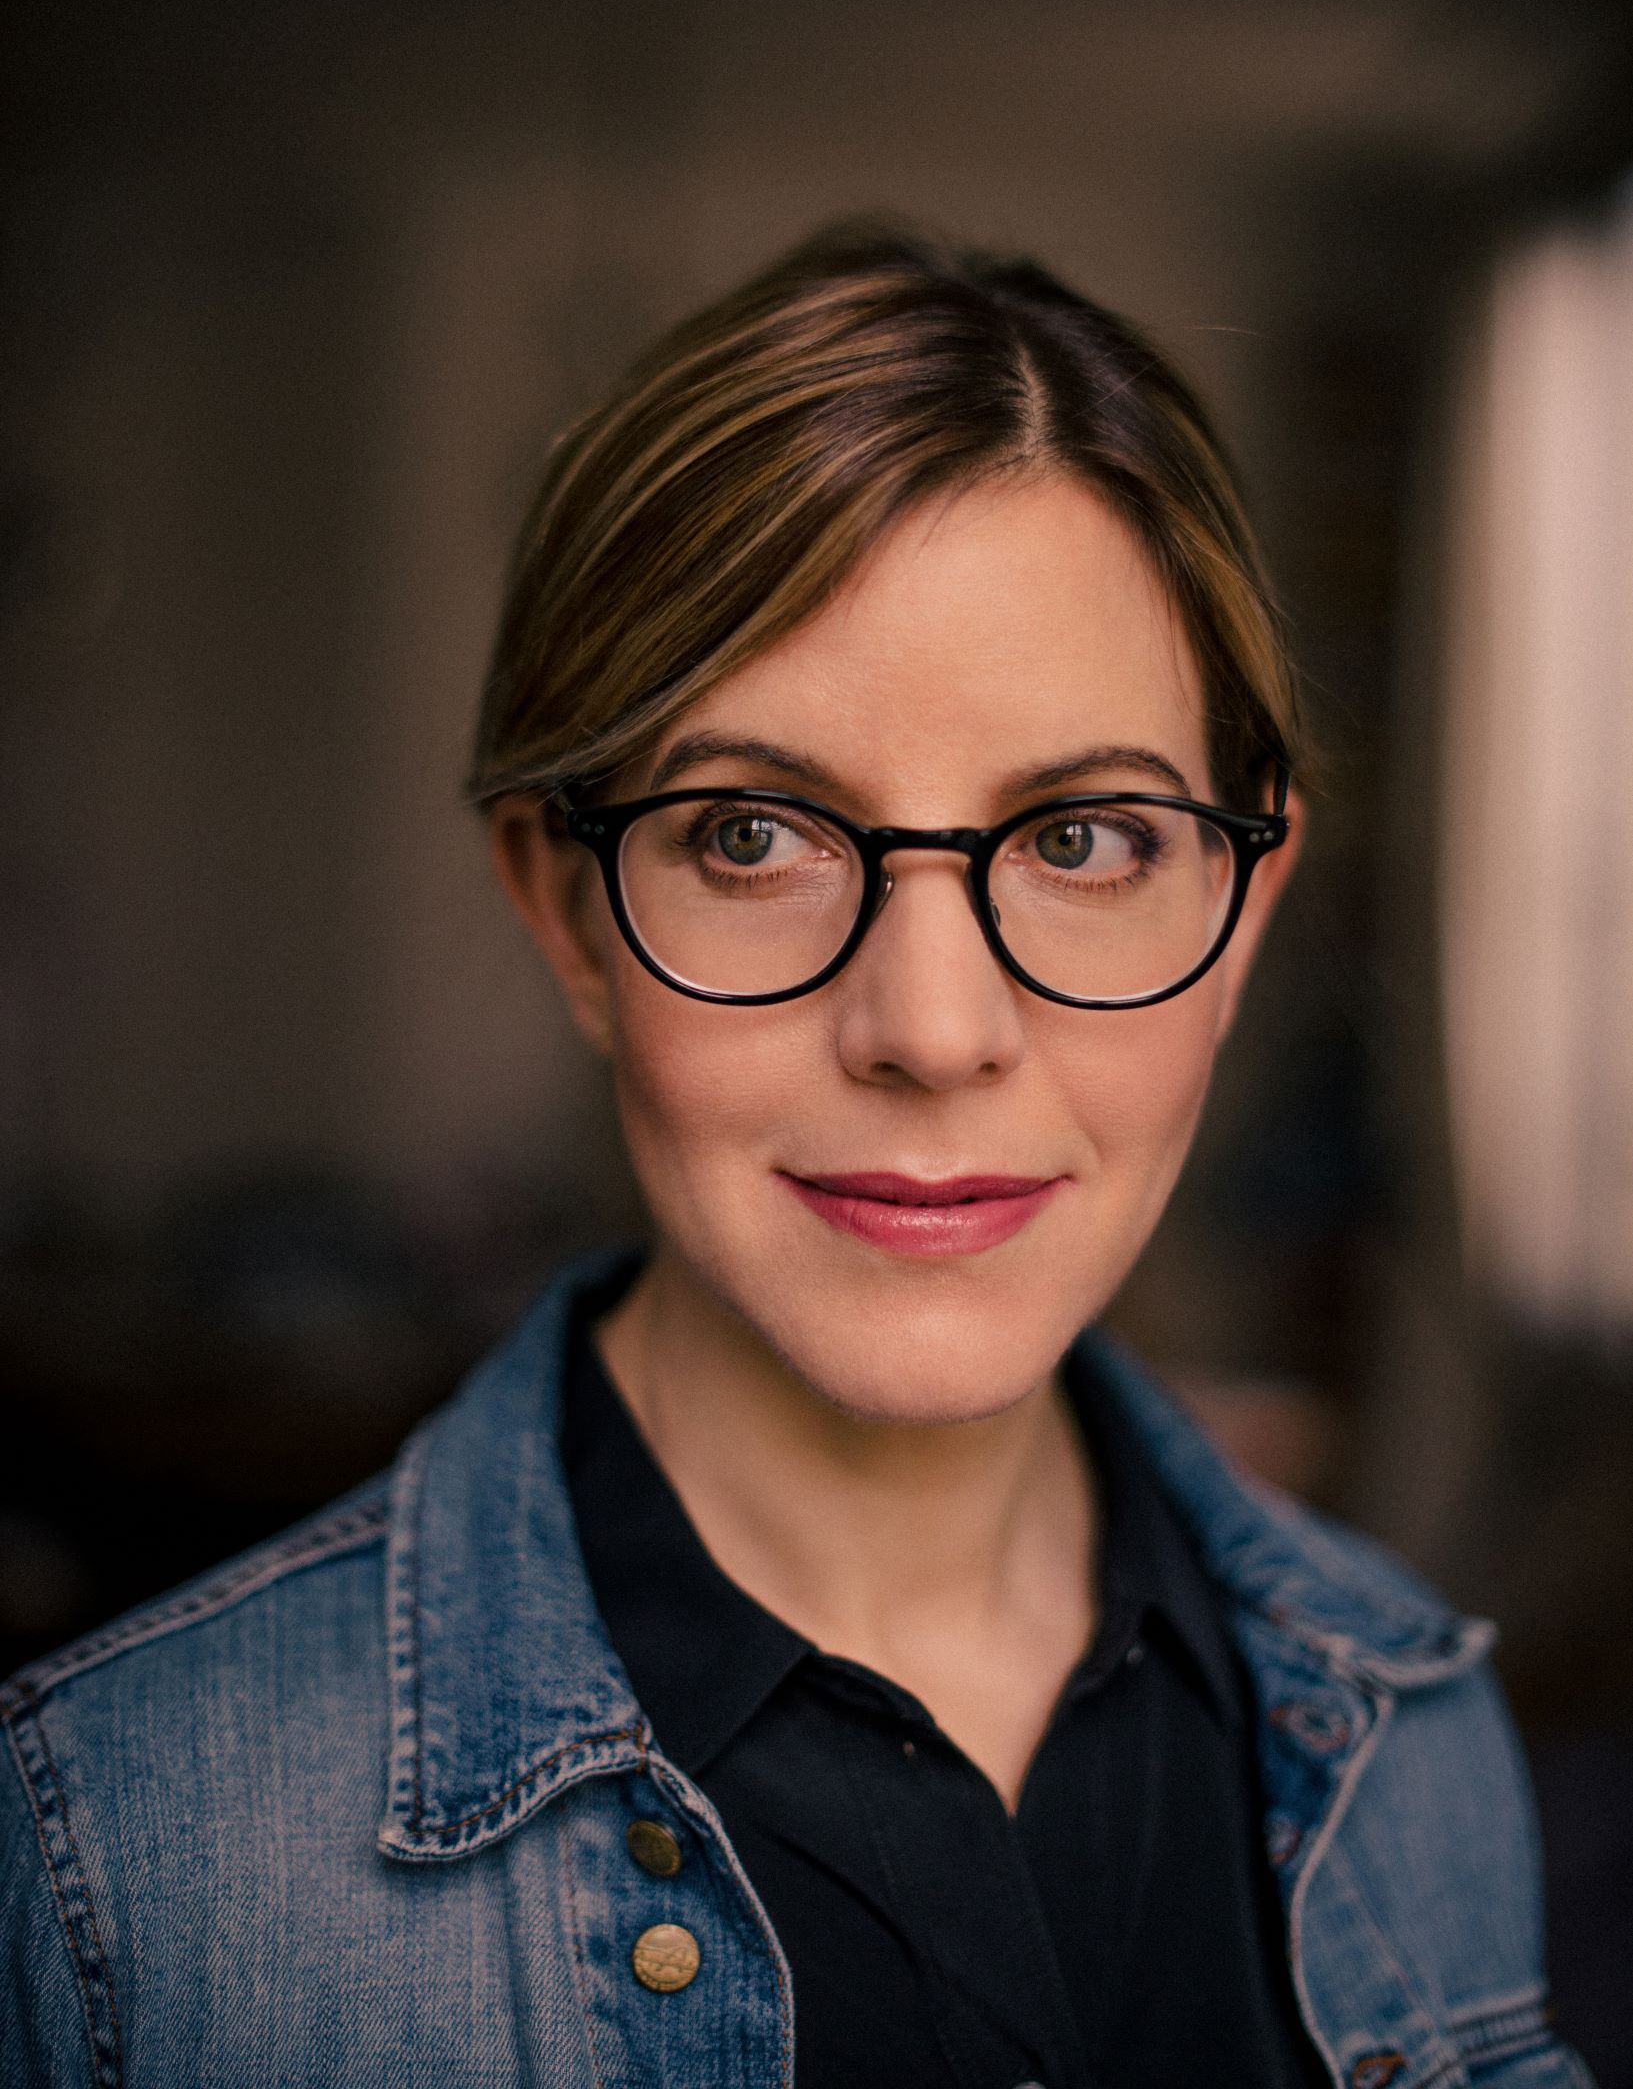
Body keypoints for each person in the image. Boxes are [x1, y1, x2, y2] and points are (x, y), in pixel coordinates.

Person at [0, 226, 1588, 2088]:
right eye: (752, 834)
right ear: (567, 913)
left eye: (1083, 841)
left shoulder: (1416, 1725)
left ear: (1241, 913)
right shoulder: (125, 1850)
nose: (932, 1025)